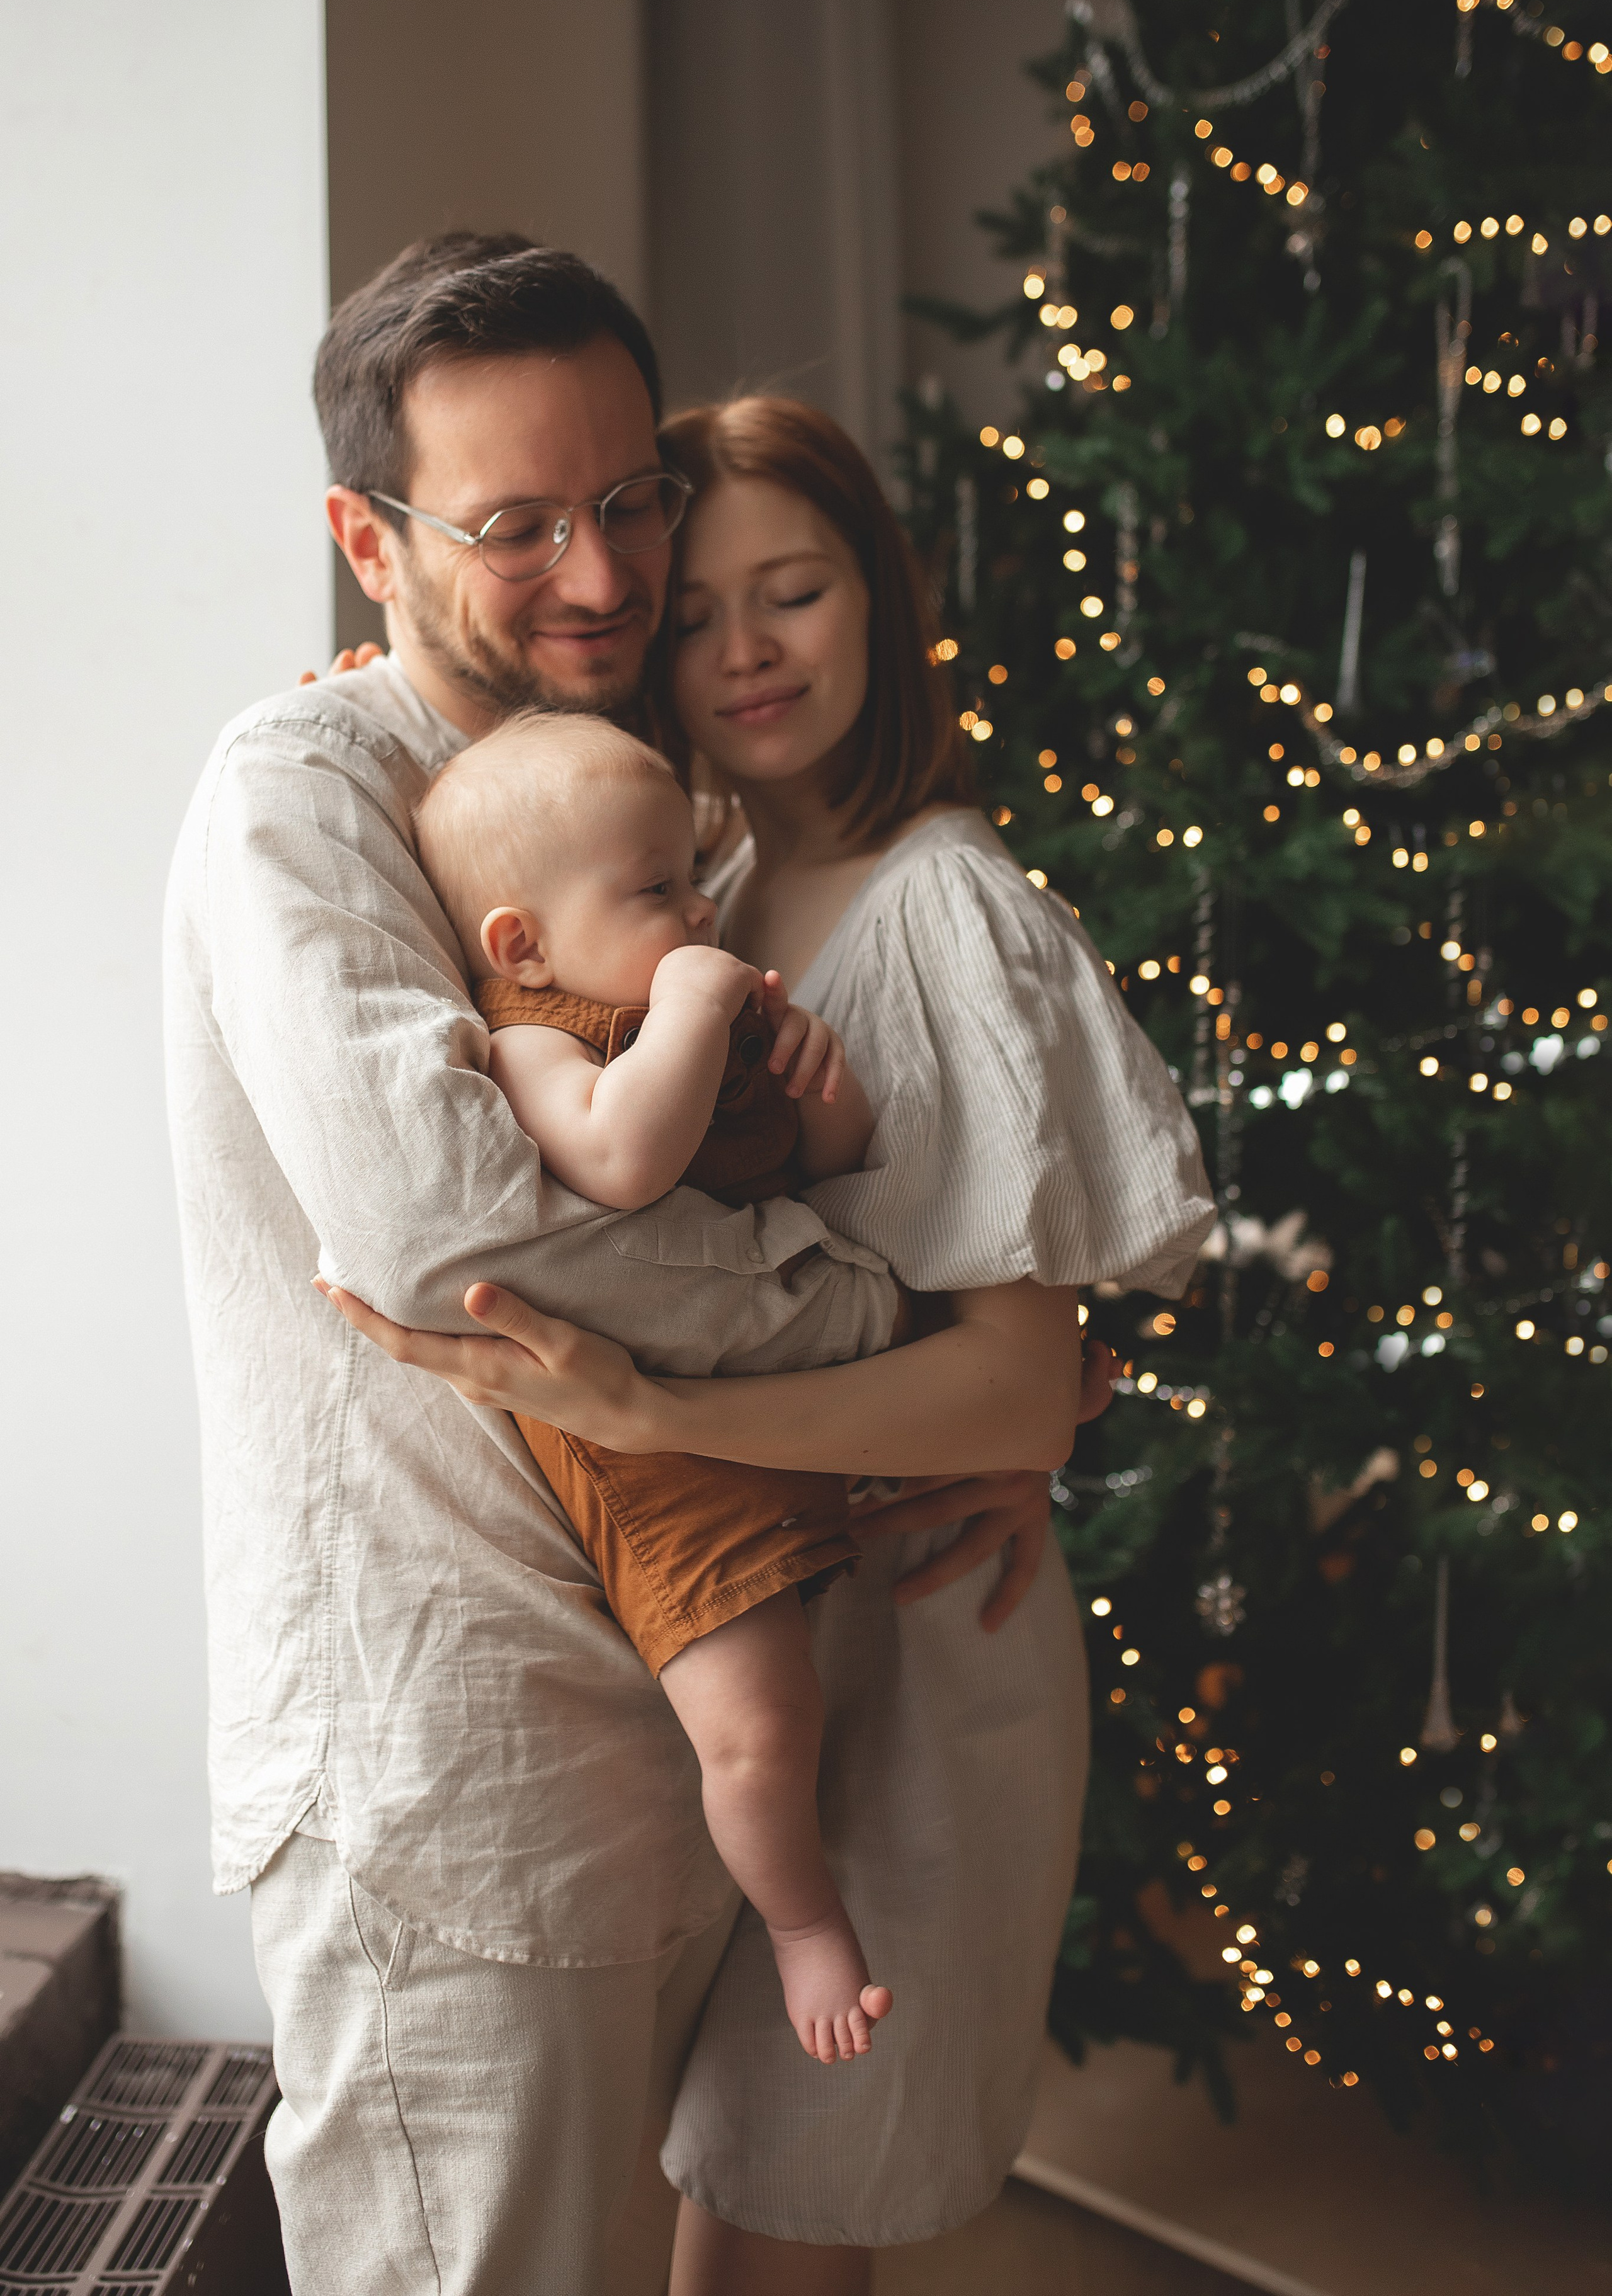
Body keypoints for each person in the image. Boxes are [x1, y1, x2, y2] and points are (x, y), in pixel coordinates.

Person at [166, 232, 1144, 2296]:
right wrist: (914, 1353)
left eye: (632, 501)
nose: (605, 576)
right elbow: (462, 1234)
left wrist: (1010, 1374)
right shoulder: (302, 798)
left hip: (669, 1721)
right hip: (453, 1749)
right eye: (518, 525)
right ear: (368, 541)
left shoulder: (639, 799)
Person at [412, 705, 894, 2063]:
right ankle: (804, 1926)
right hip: (656, 1470)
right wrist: (689, 1007)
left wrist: (815, 1077)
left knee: (823, 1696)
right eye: (656, 891)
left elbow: (832, 1165)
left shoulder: (691, 1012)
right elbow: (621, 1163)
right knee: (758, 1729)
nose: (698, 911)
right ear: (522, 944)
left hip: (770, 1411)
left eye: (692, 878)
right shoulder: (536, 1043)